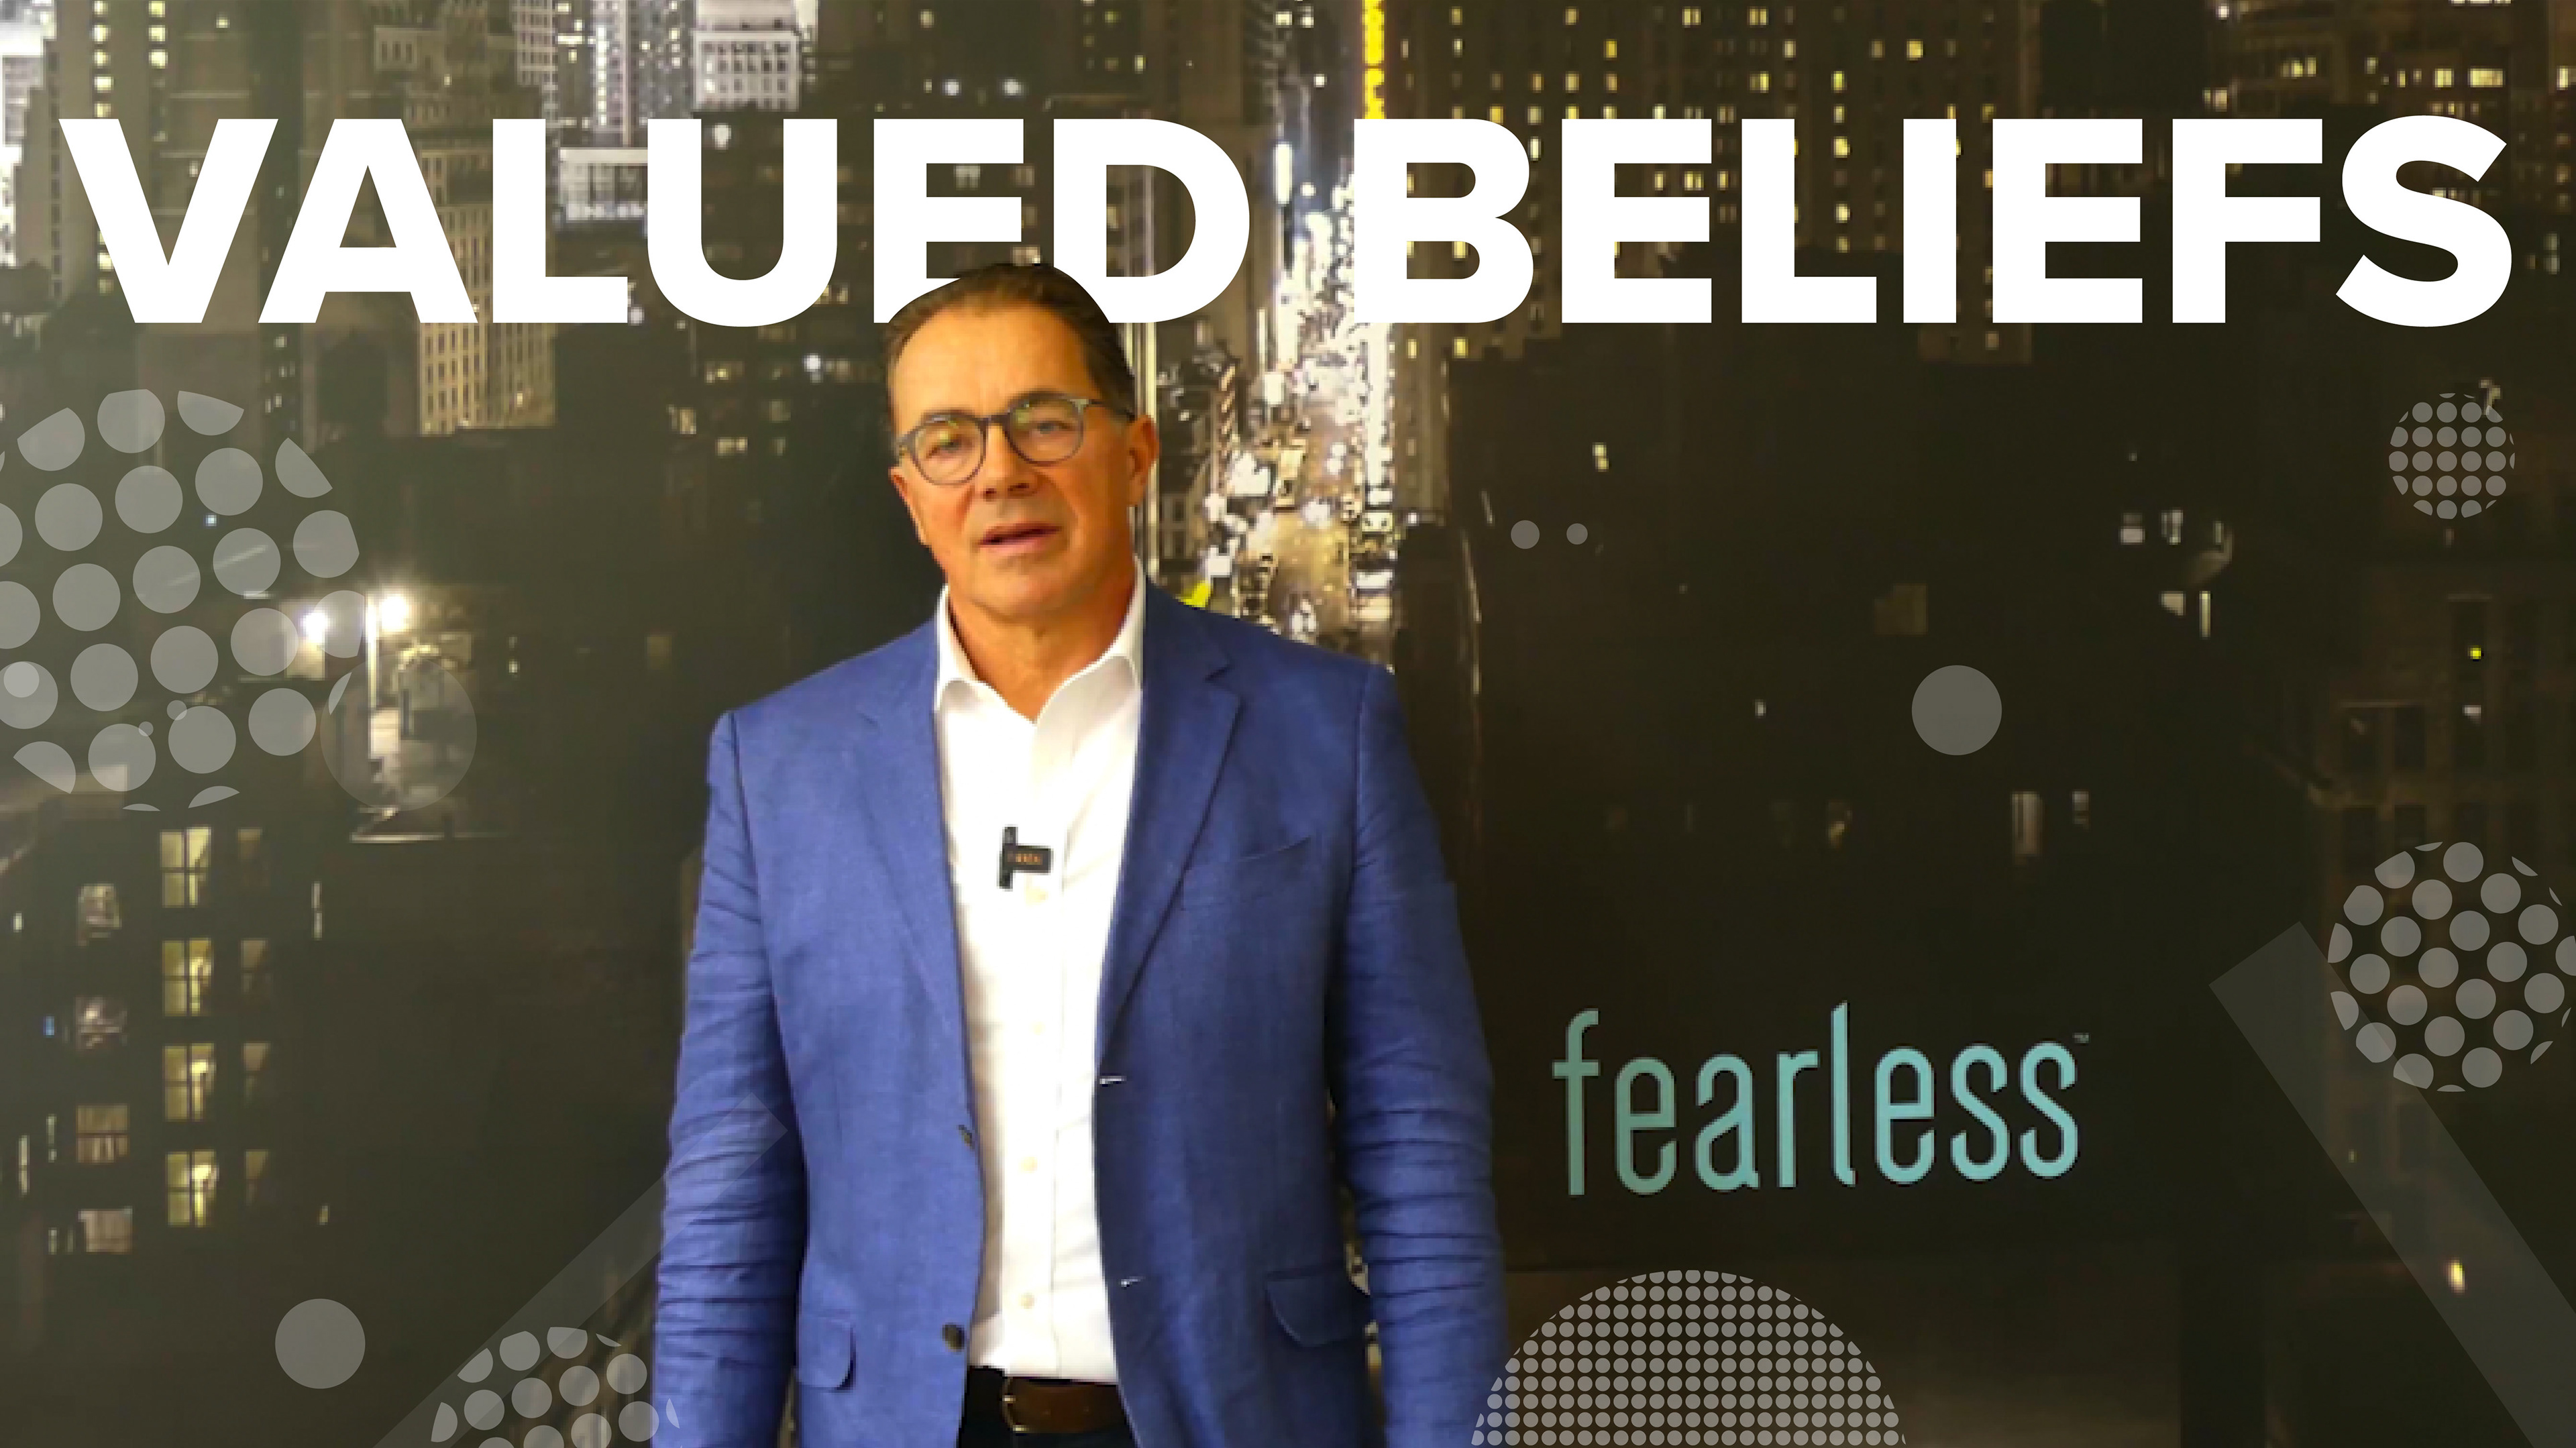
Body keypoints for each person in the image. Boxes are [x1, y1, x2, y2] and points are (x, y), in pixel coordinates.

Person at [654, 263, 1505, 1447]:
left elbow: (1420, 1154)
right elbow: (728, 1187)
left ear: (1136, 452)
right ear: (911, 497)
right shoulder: (779, 769)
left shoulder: (1328, 735)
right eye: (948, 441)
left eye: (1043, 422)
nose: (1000, 471)